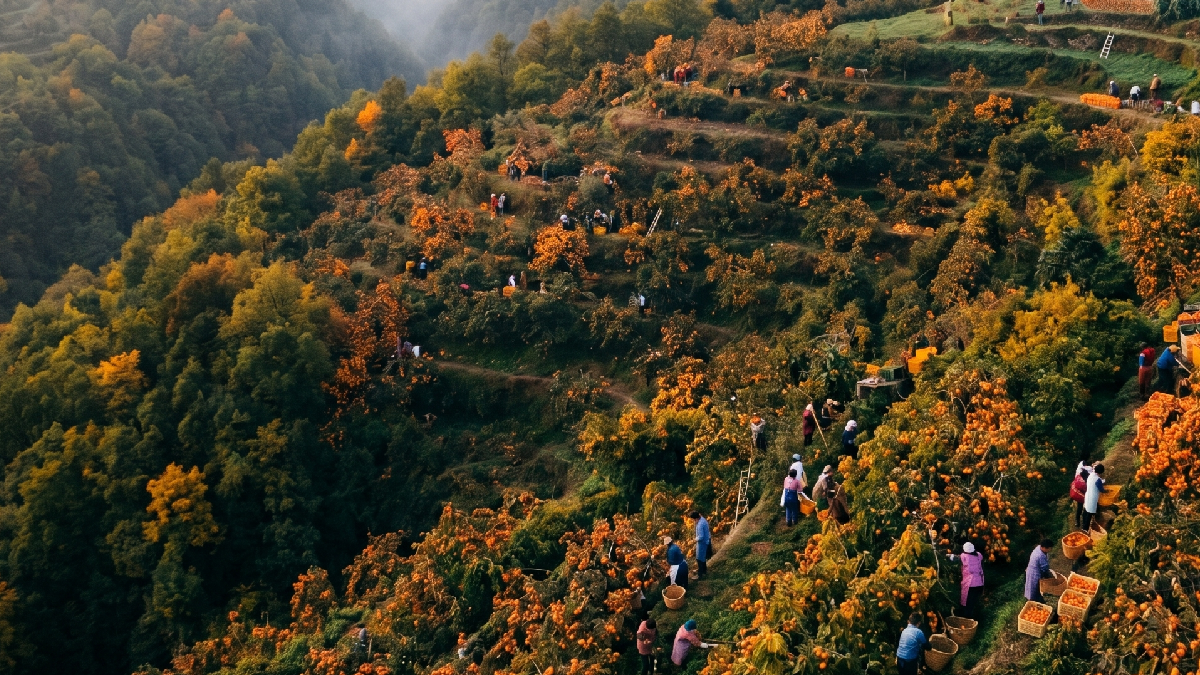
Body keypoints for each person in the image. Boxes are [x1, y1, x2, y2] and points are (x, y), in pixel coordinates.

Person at [947, 542, 985, 619]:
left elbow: (954, 558)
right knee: (974, 601)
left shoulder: (964, 556)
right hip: (979, 583)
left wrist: (946, 555)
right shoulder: (979, 555)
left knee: (967, 602)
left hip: (970, 583)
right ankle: (976, 618)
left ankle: (967, 619)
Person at [1083, 463, 1106, 533]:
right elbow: (1101, 489)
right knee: (1089, 513)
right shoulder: (1097, 479)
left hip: (1088, 495)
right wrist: (1106, 491)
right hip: (1092, 497)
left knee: (1086, 510)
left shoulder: (1091, 475)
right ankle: (1085, 529)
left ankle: (1084, 525)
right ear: (1101, 472)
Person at [1070, 460, 1092, 529]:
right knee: (1085, 508)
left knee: (1080, 507)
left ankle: (1078, 521)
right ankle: (1083, 523)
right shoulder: (1083, 482)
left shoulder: (1078, 476)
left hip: (1078, 494)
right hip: (1081, 495)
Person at [691, 510, 711, 577]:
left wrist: (694, 540)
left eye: (694, 520)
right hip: (706, 541)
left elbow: (701, 537)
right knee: (702, 557)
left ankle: (700, 574)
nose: (694, 521)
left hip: (702, 542)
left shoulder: (700, 524)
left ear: (696, 518)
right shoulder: (702, 519)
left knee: (699, 558)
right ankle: (703, 570)